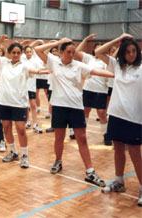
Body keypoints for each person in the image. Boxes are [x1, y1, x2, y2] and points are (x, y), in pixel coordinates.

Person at [34, 38, 114, 186]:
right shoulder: (53, 61)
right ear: (61, 52)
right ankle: (58, 161)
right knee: (59, 137)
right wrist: (56, 43)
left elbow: (96, 71)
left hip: (76, 107)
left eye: (73, 52)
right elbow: (38, 50)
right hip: (58, 106)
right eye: (68, 52)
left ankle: (90, 171)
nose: (71, 55)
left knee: (82, 138)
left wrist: (116, 75)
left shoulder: (78, 65)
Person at [95, 33, 142, 206]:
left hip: (135, 118)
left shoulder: (141, 68)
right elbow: (99, 51)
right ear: (122, 53)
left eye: (134, 51)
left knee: (136, 152)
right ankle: (119, 181)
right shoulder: (117, 67)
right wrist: (118, 38)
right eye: (128, 51)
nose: (131, 54)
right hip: (116, 114)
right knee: (118, 148)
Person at [0, 35, 48, 168]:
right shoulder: (3, 63)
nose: (16, 55)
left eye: (18, 52)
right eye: (13, 52)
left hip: (19, 103)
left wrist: (42, 71)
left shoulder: (24, 66)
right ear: (9, 53)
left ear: (21, 53)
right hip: (4, 102)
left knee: (21, 129)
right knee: (6, 127)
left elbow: (34, 70)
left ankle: (25, 154)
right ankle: (13, 151)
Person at [75, 34, 112, 145]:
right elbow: (77, 51)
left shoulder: (107, 61)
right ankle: (82, 133)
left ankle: (106, 135)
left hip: (101, 90)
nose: (98, 50)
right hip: (88, 89)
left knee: (101, 113)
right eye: (96, 48)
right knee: (85, 111)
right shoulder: (89, 58)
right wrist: (85, 39)